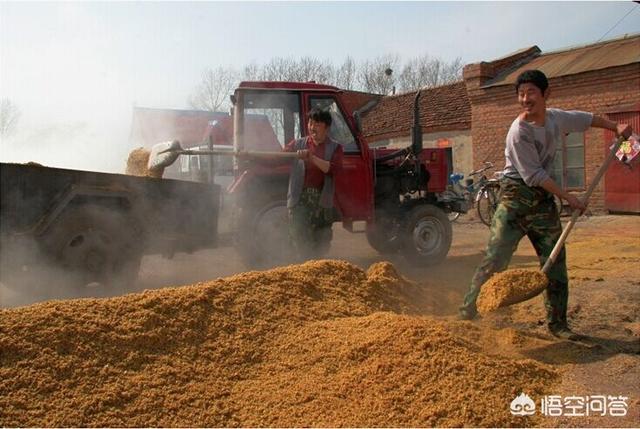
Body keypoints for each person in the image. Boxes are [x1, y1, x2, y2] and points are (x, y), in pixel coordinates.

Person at [458, 69, 633, 340]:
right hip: (514, 200)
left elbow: (586, 120)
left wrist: (615, 127)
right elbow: (535, 175)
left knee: (556, 262)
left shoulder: (556, 119)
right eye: (521, 93)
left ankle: (558, 324)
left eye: (531, 92)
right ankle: (468, 311)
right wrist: (569, 198)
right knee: (495, 259)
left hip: (541, 203)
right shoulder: (518, 132)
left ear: (545, 94)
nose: (525, 98)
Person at [285, 108, 344, 258]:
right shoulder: (298, 144)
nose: (312, 127)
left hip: (322, 202)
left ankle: (317, 271)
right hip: (299, 201)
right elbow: (279, 156)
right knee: (300, 240)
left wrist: (312, 158)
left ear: (327, 127)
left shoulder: (335, 148)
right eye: (310, 123)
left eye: (317, 124)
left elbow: (334, 170)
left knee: (321, 243)